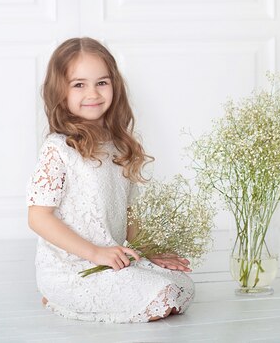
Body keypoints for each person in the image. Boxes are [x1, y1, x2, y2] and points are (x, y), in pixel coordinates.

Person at [26, 37, 195, 323]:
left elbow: (128, 215)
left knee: (182, 288)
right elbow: (38, 218)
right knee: (161, 297)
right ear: (60, 91)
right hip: (73, 267)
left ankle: (106, 290)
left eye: (101, 82)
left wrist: (151, 251)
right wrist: (95, 252)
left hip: (112, 262)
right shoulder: (58, 149)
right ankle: (59, 295)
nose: (92, 93)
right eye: (79, 84)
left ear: (114, 86)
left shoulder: (119, 146)